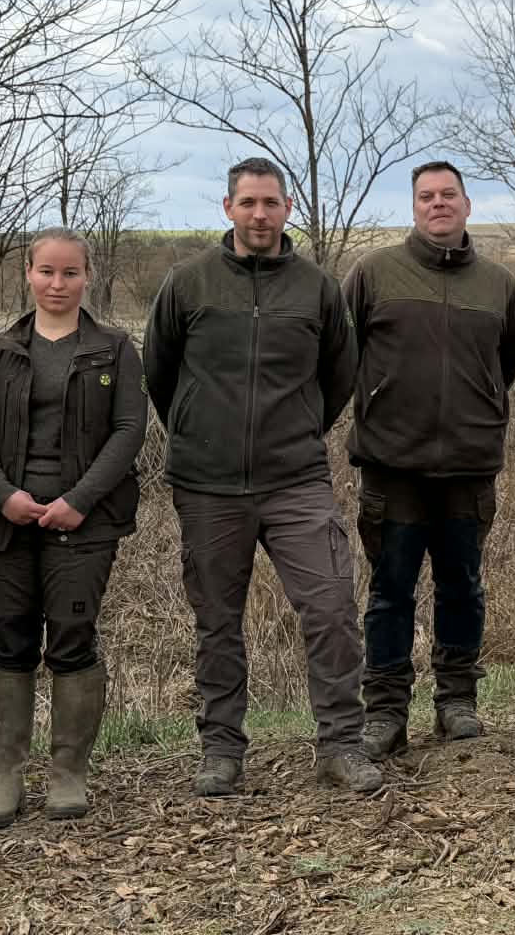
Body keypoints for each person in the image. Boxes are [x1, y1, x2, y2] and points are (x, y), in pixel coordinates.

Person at [143, 157, 379, 796]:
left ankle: (341, 744)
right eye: (247, 202)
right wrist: (202, 431)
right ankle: (221, 751)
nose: (259, 214)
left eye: (270, 202)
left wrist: (296, 428)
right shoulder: (187, 284)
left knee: (330, 608)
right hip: (208, 484)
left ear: (287, 208)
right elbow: (161, 376)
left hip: (294, 479)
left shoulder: (317, 289)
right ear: (227, 208)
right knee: (218, 623)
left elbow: (339, 378)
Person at [0, 228, 145, 828]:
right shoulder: (0, 351)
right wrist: (3, 494)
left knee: (72, 635)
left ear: (88, 276)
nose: (57, 284)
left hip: (84, 521)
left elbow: (127, 433)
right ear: (28, 275)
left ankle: (68, 773)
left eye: (70, 273)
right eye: (46, 272)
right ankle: (4, 778)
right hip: (7, 519)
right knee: (10, 637)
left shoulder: (115, 349)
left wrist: (80, 499)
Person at [344, 161, 515, 754]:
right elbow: (339, 354)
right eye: (427, 196)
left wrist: (479, 408)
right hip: (391, 467)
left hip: (468, 468)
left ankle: (456, 701)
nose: (438, 204)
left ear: (468, 206)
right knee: (390, 589)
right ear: (414, 207)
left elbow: (509, 360)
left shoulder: (498, 284)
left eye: (449, 195)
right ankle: (386, 711)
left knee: (463, 587)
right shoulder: (373, 273)